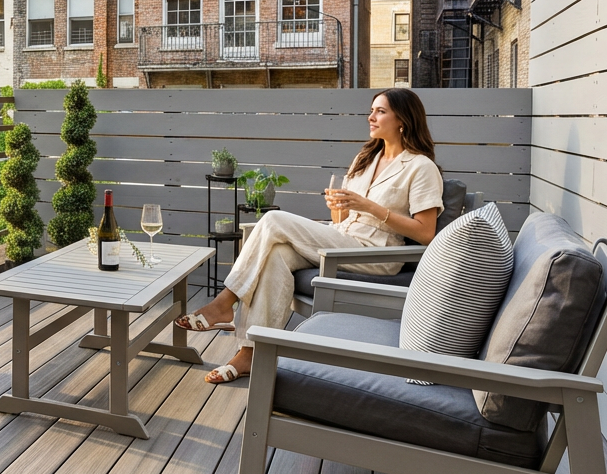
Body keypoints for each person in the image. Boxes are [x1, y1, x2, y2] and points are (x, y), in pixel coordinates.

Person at [176, 88, 444, 384]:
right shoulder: (366, 158)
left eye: (380, 111)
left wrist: (368, 206)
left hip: (375, 253)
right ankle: (249, 355)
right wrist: (338, 209)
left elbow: (426, 233)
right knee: (276, 256)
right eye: (372, 110)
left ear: (403, 120)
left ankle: (225, 302)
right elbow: (342, 220)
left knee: (273, 219)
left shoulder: (421, 167)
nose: (371, 116)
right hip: (341, 239)